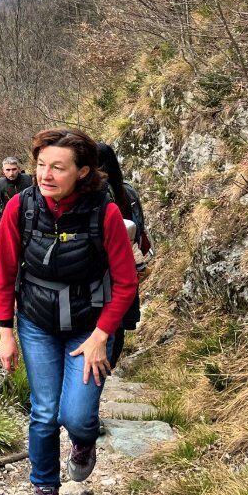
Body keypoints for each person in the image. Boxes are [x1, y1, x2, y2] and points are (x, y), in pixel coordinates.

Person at [0, 127, 138, 495]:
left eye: (58, 167)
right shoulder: (20, 209)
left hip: (90, 328)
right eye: (41, 165)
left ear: (83, 171)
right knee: (43, 412)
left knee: (75, 415)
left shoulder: (104, 213)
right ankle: (45, 493)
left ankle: (83, 441)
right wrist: (6, 332)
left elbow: (126, 284)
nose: (46, 174)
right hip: (37, 323)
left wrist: (101, 335)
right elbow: (4, 275)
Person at [97, 141, 153, 369]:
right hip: (126, 261)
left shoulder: (93, 192)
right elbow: (139, 226)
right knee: (117, 317)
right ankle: (107, 366)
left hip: (99, 263)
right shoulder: (127, 191)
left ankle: (98, 371)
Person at [0, 157, 32, 259]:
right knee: (0, 245)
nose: (11, 173)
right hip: (7, 217)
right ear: (3, 171)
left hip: (27, 217)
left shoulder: (29, 180)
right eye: (8, 170)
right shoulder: (0, 183)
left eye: (14, 169)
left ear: (18, 169)